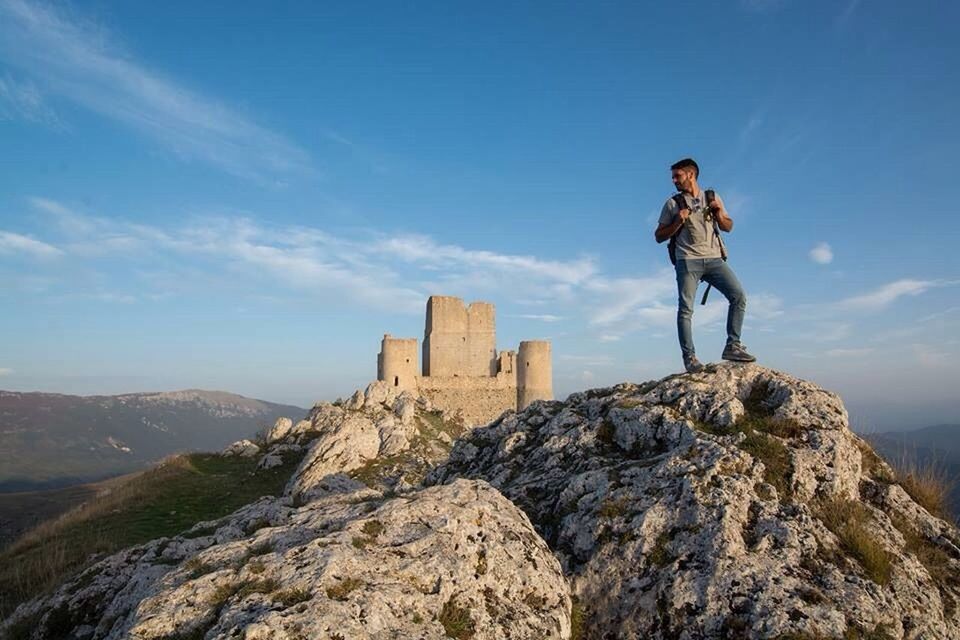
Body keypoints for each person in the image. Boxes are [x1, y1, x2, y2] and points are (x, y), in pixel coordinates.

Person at [654, 158, 756, 373]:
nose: (674, 180)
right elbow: (659, 236)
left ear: (691, 175)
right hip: (687, 261)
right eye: (673, 177)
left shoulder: (712, 196)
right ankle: (690, 359)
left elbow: (728, 226)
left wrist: (718, 213)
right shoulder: (672, 204)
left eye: (677, 176)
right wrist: (677, 222)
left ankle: (733, 346)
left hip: (714, 259)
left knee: (738, 296)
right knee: (685, 310)